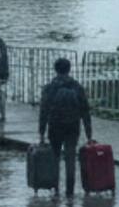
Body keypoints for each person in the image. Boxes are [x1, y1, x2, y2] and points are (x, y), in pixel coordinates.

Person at [39, 58, 94, 197]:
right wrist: (89, 134)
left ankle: (56, 189)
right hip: (72, 126)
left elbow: (43, 111)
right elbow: (85, 111)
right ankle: (70, 191)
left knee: (55, 158)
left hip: (55, 126)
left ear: (55, 69)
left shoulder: (50, 87)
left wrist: (41, 132)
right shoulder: (77, 87)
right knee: (70, 158)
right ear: (69, 69)